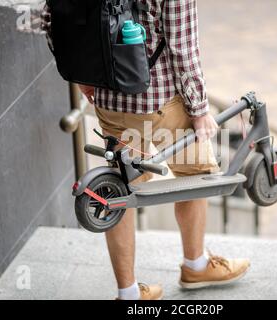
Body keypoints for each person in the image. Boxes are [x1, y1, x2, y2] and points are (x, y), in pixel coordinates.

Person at [41, 0, 249, 300]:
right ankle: (196, 265)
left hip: (110, 102)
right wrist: (200, 109)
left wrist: (81, 75)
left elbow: (51, 17)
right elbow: (183, 48)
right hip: (160, 101)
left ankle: (128, 293)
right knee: (198, 173)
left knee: (119, 192)